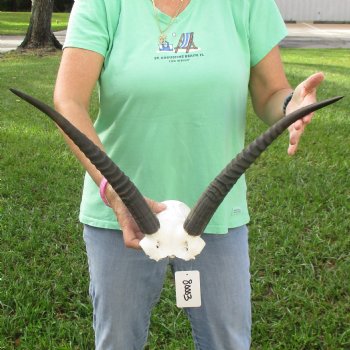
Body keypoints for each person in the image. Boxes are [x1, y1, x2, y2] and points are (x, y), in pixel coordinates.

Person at [54, 0, 324, 348]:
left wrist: (291, 105)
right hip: (122, 212)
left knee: (226, 341)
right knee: (117, 341)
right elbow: (69, 99)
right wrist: (113, 192)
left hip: (214, 212)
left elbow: (272, 93)